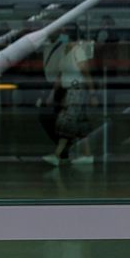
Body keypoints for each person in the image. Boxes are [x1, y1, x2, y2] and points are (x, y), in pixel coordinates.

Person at [37, 22, 98, 166]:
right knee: (80, 124)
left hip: (77, 90)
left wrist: (92, 94)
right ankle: (87, 155)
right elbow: (61, 75)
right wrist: (52, 94)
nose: (61, 35)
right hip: (68, 91)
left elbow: (86, 73)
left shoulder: (79, 50)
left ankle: (57, 155)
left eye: (64, 32)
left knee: (66, 121)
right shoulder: (65, 50)